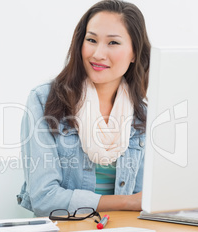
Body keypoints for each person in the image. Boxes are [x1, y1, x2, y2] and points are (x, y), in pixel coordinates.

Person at [17, 0, 151, 217]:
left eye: (113, 43)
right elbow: (44, 199)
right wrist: (126, 202)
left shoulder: (142, 115)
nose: (98, 54)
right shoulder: (44, 101)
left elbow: (147, 198)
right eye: (91, 40)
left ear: (135, 53)